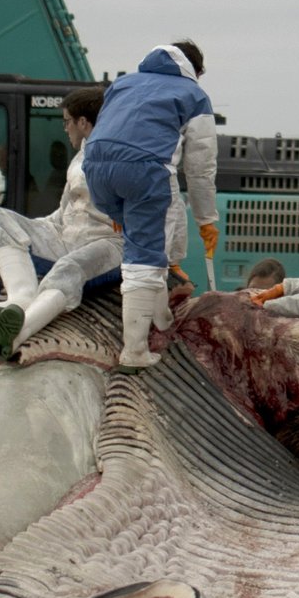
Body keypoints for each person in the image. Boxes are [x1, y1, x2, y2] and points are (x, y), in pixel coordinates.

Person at [84, 42, 221, 368]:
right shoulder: (193, 95)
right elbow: (200, 168)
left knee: (150, 244)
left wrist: (115, 210)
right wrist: (206, 219)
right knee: (143, 260)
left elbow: (111, 132)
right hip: (143, 171)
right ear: (196, 70)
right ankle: (134, 351)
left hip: (95, 170)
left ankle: (161, 318)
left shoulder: (123, 83)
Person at [0, 87, 135, 359]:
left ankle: (19, 333)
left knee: (68, 266)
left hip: (108, 245)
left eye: (66, 121)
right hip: (66, 238)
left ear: (83, 122)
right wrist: (29, 230)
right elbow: (64, 211)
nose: (65, 129)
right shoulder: (79, 157)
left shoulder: (121, 155)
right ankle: (19, 301)